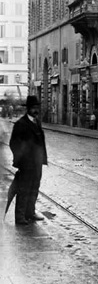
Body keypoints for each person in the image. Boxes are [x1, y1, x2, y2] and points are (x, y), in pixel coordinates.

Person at [9, 95, 48, 225]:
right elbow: (13, 144)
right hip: (26, 165)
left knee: (34, 189)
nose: (36, 110)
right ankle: (19, 217)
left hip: (37, 163)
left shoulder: (37, 122)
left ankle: (30, 212)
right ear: (28, 109)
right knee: (24, 190)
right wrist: (21, 160)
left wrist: (42, 158)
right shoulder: (21, 124)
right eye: (33, 108)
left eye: (37, 107)